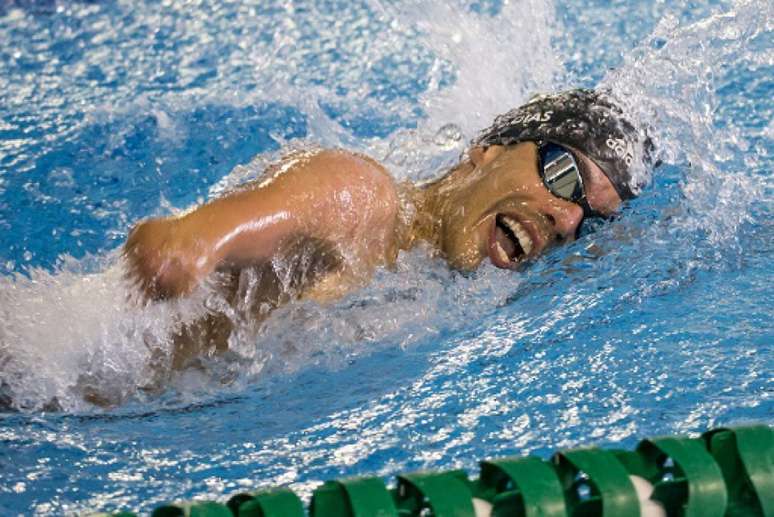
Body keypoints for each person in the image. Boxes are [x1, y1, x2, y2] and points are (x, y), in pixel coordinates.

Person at [124, 88, 652, 370]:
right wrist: (181, 256)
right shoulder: (359, 200)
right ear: (487, 151)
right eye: (562, 174)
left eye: (589, 222)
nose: (566, 219)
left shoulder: (437, 290)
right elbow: (168, 247)